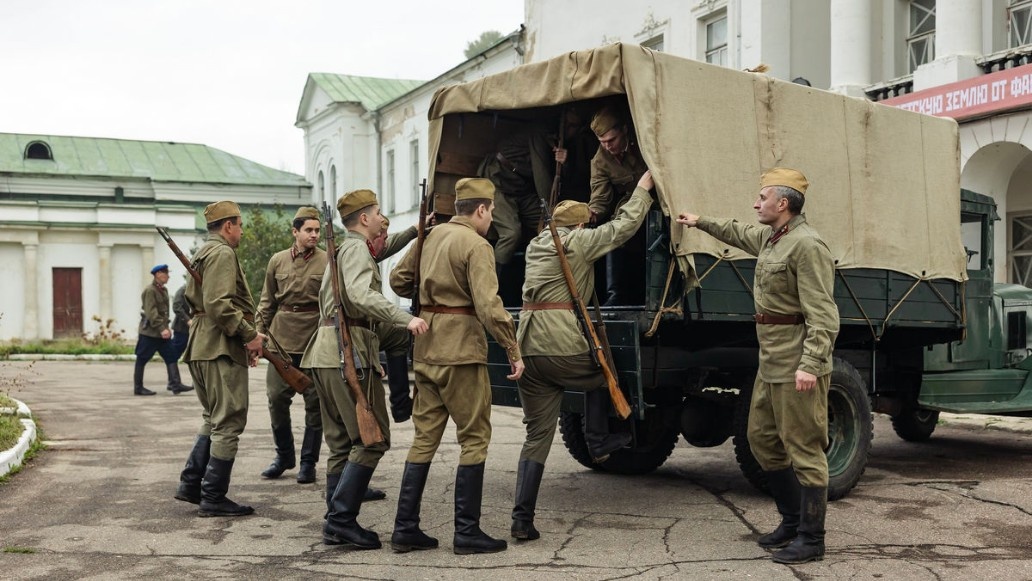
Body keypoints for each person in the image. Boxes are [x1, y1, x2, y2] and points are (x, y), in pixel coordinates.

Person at [675, 168, 839, 564]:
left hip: (797, 362)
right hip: (770, 360)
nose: (755, 203)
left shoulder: (807, 245)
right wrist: (700, 222)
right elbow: (736, 232)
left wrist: (811, 364)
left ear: (783, 203)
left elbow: (824, 314)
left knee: (804, 447)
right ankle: (791, 520)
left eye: (761, 197)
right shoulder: (772, 238)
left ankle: (812, 539)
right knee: (762, 440)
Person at [511, 171, 654, 542]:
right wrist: (641, 190)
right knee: (603, 371)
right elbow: (623, 227)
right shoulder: (576, 242)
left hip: (527, 345)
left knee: (537, 435)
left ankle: (522, 520)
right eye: (584, 222)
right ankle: (597, 439)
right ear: (576, 225)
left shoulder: (535, 245)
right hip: (559, 341)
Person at [389, 177, 525, 555]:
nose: (491, 217)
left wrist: (429, 291)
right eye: (492, 211)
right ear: (481, 209)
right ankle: (466, 532)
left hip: (427, 349)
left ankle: (405, 529)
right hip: (462, 352)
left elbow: (398, 280)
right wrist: (513, 348)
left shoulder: (429, 236)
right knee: (475, 437)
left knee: (424, 439)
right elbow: (488, 307)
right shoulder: (477, 245)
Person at [300, 189, 428, 550]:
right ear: (365, 219)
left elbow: (381, 251)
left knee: (342, 443)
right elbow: (359, 294)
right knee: (373, 440)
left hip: (324, 353)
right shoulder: (356, 250)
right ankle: (341, 519)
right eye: (377, 212)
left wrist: (417, 231)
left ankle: (335, 521)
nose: (381, 217)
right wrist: (403, 317)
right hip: (349, 351)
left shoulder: (348, 248)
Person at [173, 200, 266, 517]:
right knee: (228, 421)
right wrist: (249, 335)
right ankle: (213, 496)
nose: (241, 231)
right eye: (239, 225)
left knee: (213, 417)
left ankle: (191, 484)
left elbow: (200, 303)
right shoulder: (223, 253)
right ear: (229, 225)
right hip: (219, 345)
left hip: (203, 343)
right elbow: (219, 304)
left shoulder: (204, 252)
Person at [254, 207, 326, 484]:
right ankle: (284, 456)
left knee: (315, 403)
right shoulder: (278, 260)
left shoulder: (328, 259)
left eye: (317, 230)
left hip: (314, 339)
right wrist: (259, 336)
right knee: (276, 398)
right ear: (295, 232)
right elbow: (267, 302)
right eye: (309, 230)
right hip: (281, 340)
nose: (314, 235)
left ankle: (308, 463)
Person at [479, 124, 555, 304]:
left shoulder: (553, 140)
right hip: (497, 183)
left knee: (552, 227)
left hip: (520, 189)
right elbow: (541, 173)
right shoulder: (537, 134)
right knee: (511, 234)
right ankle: (492, 288)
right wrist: (549, 209)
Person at [587, 106, 649, 306]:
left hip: (660, 198)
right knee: (617, 224)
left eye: (611, 140)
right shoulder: (600, 160)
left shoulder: (644, 141)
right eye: (602, 142)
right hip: (631, 200)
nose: (607, 147)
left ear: (624, 130)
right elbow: (600, 196)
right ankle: (616, 294)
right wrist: (592, 213)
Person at [133, 264, 192, 396]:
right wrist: (161, 328)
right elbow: (151, 312)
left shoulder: (163, 290)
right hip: (150, 333)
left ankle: (175, 384)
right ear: (158, 274)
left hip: (161, 333)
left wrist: (166, 328)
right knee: (142, 358)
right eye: (166, 273)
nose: (168, 276)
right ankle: (138, 387)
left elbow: (164, 313)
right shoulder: (150, 290)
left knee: (171, 356)